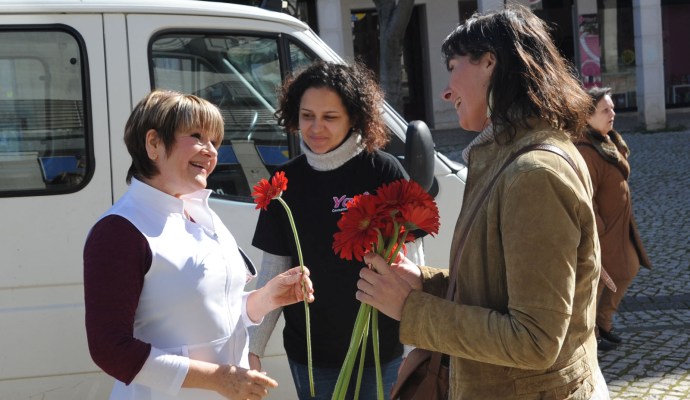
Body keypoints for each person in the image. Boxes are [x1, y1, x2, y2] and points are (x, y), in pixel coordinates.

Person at [356, 5, 611, 399]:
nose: (446, 90)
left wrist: (412, 308)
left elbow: (535, 340)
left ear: (489, 62)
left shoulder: (533, 173)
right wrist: (424, 284)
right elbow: (497, 291)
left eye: (453, 67)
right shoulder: (505, 157)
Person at [83, 89, 314, 400]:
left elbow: (215, 313)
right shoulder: (119, 231)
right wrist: (220, 379)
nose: (211, 151)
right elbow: (109, 348)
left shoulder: (201, 214)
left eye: (215, 142)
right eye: (197, 136)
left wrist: (266, 298)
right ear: (153, 143)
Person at [248, 61, 422, 399]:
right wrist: (253, 348)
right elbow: (272, 274)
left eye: (330, 117)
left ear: (354, 117)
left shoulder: (384, 171)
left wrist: (419, 344)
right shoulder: (283, 182)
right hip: (312, 358)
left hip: (380, 352)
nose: (316, 128)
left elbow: (413, 265)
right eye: (307, 115)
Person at [576, 86, 652, 352]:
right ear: (587, 117)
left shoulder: (606, 140)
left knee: (627, 269)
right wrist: (598, 228)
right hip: (603, 231)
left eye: (613, 108)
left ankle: (603, 323)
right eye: (605, 110)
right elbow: (586, 195)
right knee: (596, 283)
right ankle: (592, 334)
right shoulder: (586, 150)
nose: (613, 113)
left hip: (620, 225)